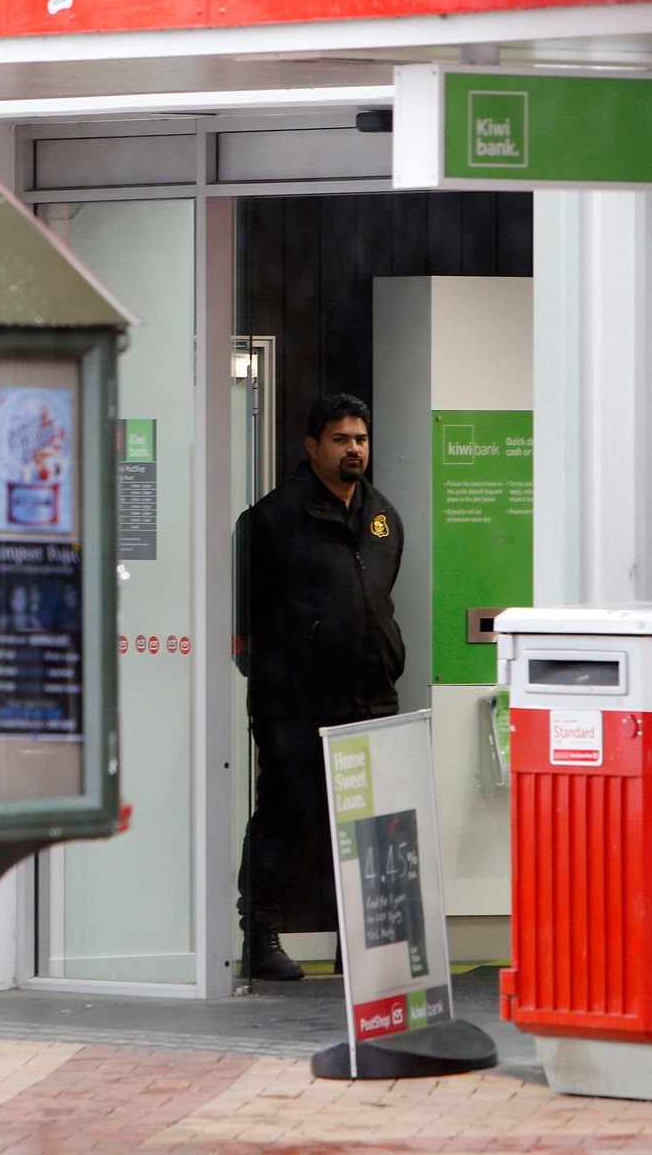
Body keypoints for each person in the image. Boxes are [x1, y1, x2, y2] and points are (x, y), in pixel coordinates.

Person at [233, 393, 404, 981]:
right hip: (294, 703)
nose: (353, 448)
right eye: (340, 439)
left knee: (367, 825)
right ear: (312, 447)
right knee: (283, 816)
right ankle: (260, 941)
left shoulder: (383, 517)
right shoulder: (271, 519)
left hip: (370, 698)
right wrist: (276, 677)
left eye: (360, 438)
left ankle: (361, 945)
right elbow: (245, 621)